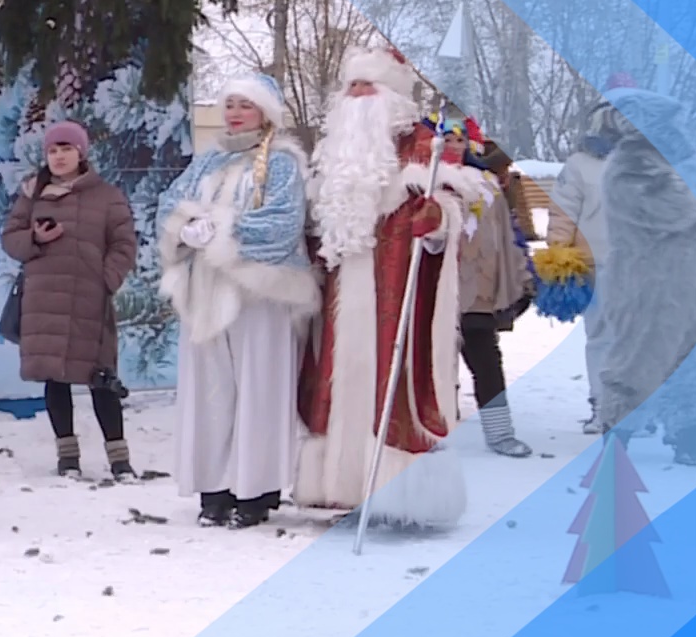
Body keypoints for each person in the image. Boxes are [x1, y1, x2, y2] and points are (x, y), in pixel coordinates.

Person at [294, 49, 490, 524]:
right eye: (352, 86)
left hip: (400, 291)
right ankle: (344, 486)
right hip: (341, 294)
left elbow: (459, 210)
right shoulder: (333, 155)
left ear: (393, 95)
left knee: (395, 383)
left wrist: (439, 218)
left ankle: (402, 496)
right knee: (339, 382)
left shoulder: (425, 145)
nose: (358, 96)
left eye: (369, 86)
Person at [155, 74, 316, 528]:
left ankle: (256, 490)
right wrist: (184, 229)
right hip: (206, 293)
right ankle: (214, 488)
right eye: (230, 104)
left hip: (259, 295)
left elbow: (282, 224)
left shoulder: (281, 163)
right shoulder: (207, 162)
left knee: (258, 389)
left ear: (265, 112)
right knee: (211, 391)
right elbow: (170, 206)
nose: (234, 113)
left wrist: (223, 231)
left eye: (245, 105)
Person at [0, 120, 140, 481]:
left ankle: (119, 459)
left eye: (66, 149)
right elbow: (11, 239)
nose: (59, 156)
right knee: (54, 377)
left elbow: (124, 245)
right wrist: (35, 237)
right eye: (53, 150)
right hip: (44, 299)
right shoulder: (32, 193)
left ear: (82, 153)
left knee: (101, 376)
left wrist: (105, 280)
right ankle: (68, 457)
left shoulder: (107, 196)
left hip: (89, 299)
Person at [590, 87, 696, 465]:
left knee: (689, 363)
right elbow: (677, 210)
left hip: (685, 281)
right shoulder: (633, 167)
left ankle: (688, 437)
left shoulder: (669, 164)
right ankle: (616, 436)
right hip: (648, 284)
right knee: (637, 360)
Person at [455, 124, 538, 458]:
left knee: (485, 360)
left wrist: (520, 280)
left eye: (459, 140)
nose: (452, 146)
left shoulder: (487, 188)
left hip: (478, 291)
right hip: (436, 293)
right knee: (429, 363)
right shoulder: (424, 180)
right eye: (445, 139)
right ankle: (425, 430)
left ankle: (500, 431)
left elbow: (507, 238)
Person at [545, 126, 615, 434]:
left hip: (642, 267)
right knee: (600, 337)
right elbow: (563, 212)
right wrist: (559, 254)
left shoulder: (647, 160)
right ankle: (603, 406)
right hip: (594, 264)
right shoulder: (579, 165)